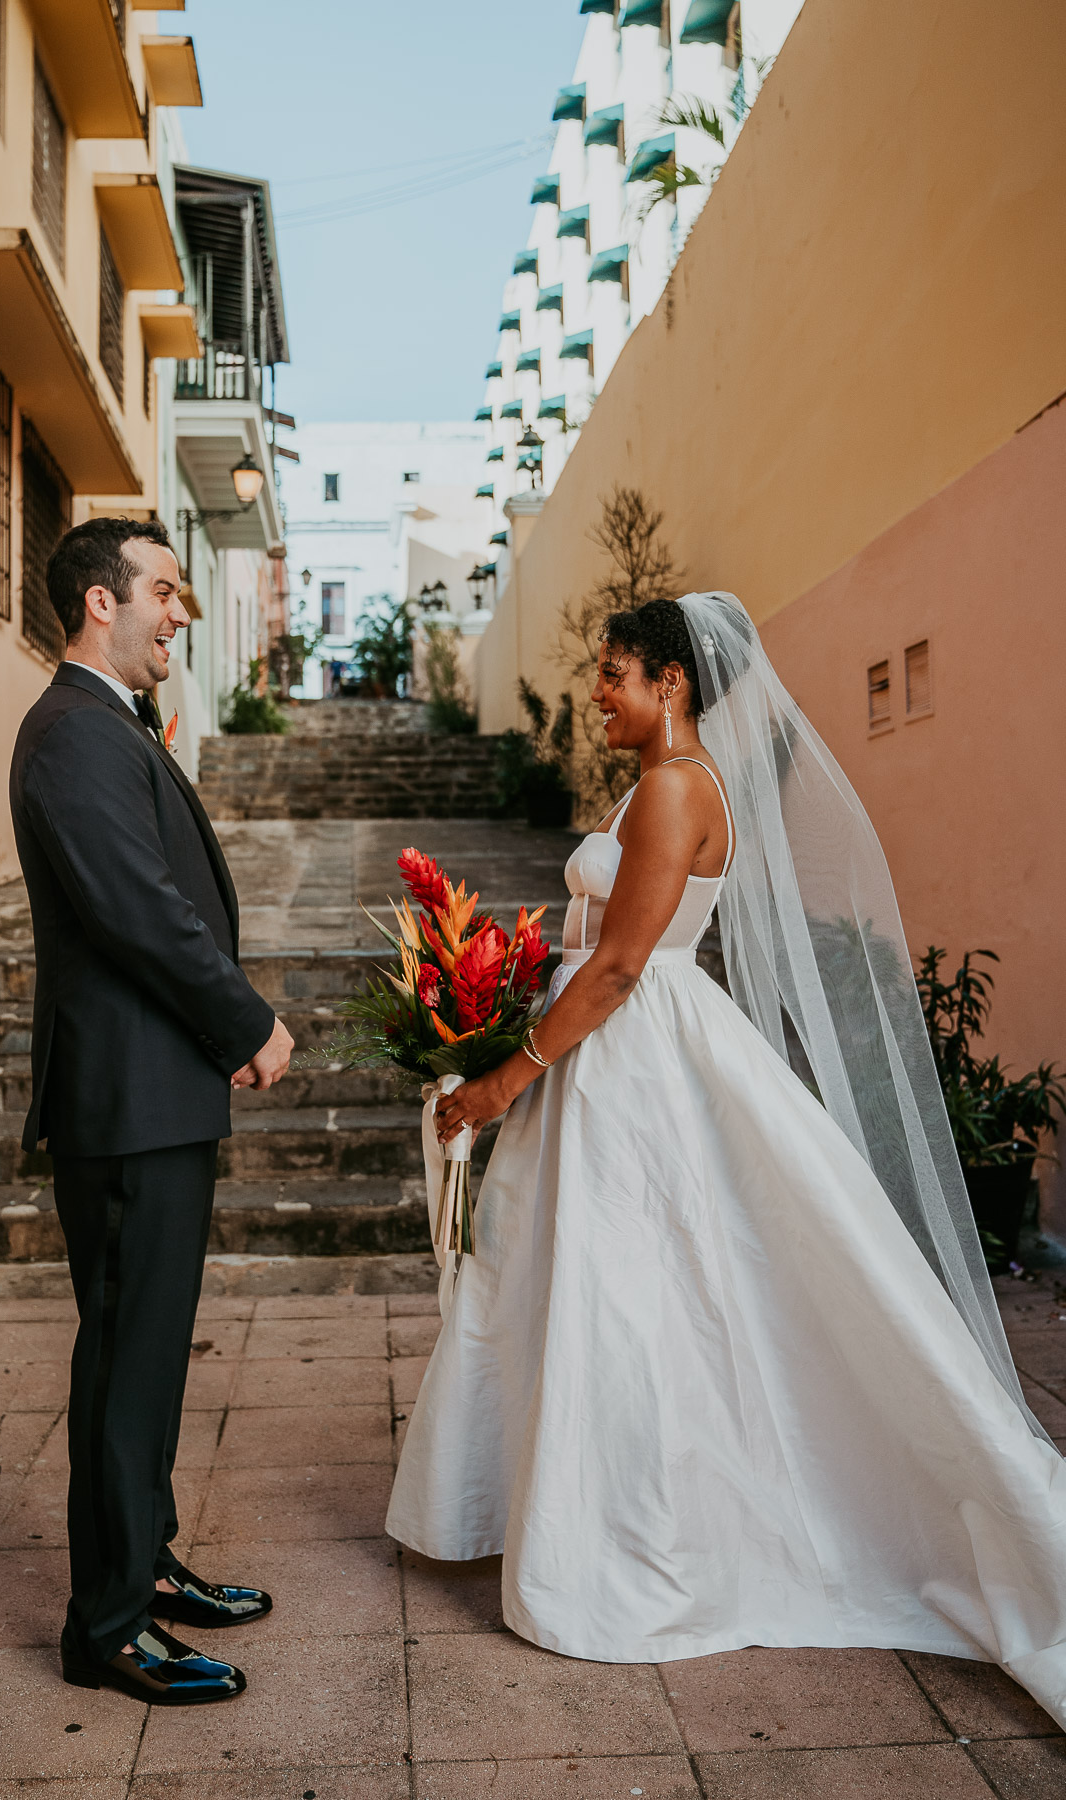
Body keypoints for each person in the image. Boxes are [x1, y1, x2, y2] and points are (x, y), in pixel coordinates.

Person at [386, 591, 1066, 1727]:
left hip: (630, 1058)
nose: (597, 690)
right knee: (591, 1280)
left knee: (627, 1294)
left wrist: (507, 1080)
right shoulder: (666, 780)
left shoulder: (672, 789)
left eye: (615, 672)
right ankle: (567, 1513)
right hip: (618, 1054)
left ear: (674, 683)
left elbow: (616, 968)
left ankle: (627, 1547)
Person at [10, 516, 294, 1706]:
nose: (178, 612)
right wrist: (245, 1021)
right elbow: (138, 908)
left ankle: (147, 1561)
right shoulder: (73, 734)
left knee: (150, 1354)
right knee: (129, 1360)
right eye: (164, 592)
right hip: (127, 1101)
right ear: (98, 604)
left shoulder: (101, 725)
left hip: (152, 1092)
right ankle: (109, 1628)